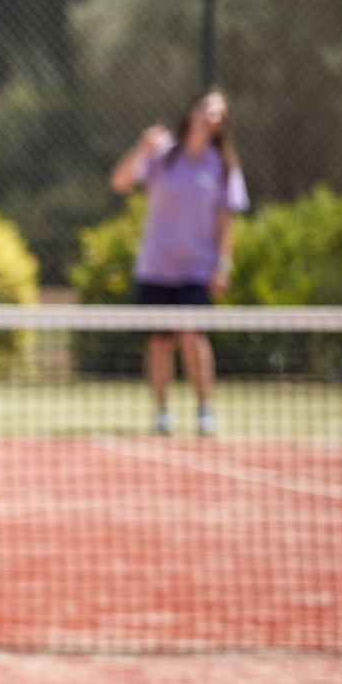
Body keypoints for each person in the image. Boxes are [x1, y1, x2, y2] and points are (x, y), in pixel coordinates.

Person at [108, 88, 248, 436]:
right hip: (156, 266)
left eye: (218, 113)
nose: (209, 116)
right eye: (206, 108)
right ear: (193, 111)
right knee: (159, 341)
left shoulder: (222, 167)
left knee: (192, 335)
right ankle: (162, 413)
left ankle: (204, 411)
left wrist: (223, 265)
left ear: (221, 125)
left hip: (196, 269)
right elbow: (120, 181)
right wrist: (142, 146)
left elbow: (224, 222)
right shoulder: (163, 155)